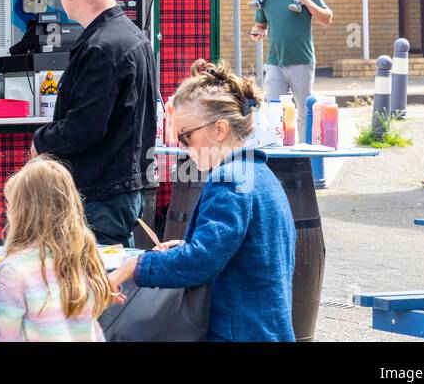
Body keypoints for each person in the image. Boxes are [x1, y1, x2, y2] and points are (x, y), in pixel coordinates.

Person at [108, 60, 296, 342]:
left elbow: (201, 261)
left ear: (219, 130)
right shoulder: (260, 173)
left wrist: (134, 267)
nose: (181, 145)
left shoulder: (229, 181)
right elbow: (241, 250)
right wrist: (187, 245)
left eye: (185, 135)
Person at [30, 0, 159, 247]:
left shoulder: (102, 46)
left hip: (100, 193)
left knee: (94, 284)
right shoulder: (133, 36)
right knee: (108, 281)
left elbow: (85, 127)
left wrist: (41, 140)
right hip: (120, 188)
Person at [0, 156, 110, 342]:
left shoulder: (14, 268)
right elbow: (92, 327)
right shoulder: (82, 253)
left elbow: (6, 335)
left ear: (21, 211)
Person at [250, 0, 332, 112]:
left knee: (304, 111)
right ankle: (277, 139)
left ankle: (304, 139)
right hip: (275, 62)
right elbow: (260, 25)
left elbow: (327, 19)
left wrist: (307, 2)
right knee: (275, 113)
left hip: (301, 61)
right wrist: (257, 32)